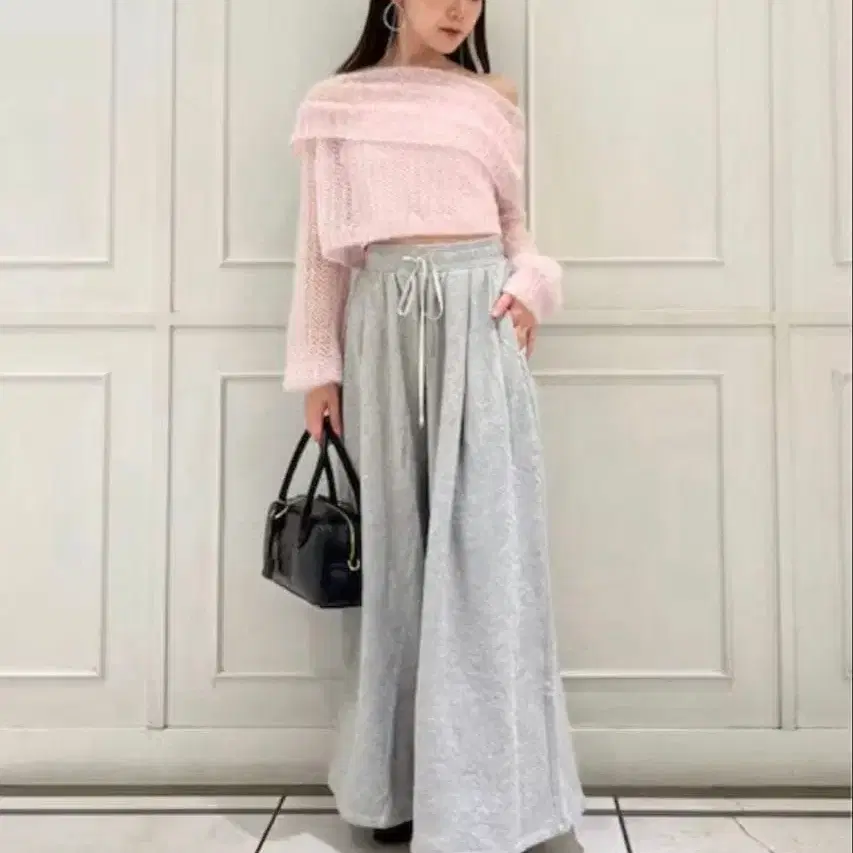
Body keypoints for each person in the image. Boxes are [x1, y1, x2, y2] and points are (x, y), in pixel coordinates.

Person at [282, 1, 586, 851]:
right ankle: (399, 792)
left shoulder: (491, 97)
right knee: (394, 565)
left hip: (478, 324)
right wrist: (318, 367)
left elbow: (515, 225)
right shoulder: (335, 104)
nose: (457, 7)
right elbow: (318, 250)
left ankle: (493, 801)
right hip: (383, 328)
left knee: (486, 560)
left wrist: (531, 286)